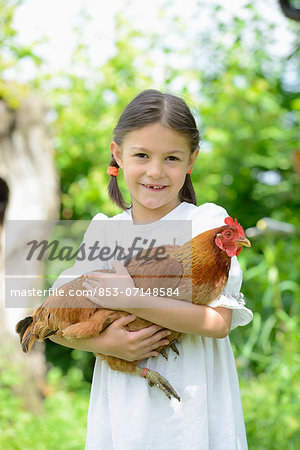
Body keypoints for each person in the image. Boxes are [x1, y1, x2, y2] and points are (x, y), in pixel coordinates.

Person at [50, 89, 253, 450]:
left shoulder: (205, 224)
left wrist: (133, 299)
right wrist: (105, 342)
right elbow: (54, 324)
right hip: (127, 412)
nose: (155, 171)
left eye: (172, 158)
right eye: (142, 155)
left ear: (192, 160)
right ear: (118, 155)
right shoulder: (105, 230)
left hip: (196, 406)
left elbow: (219, 323)